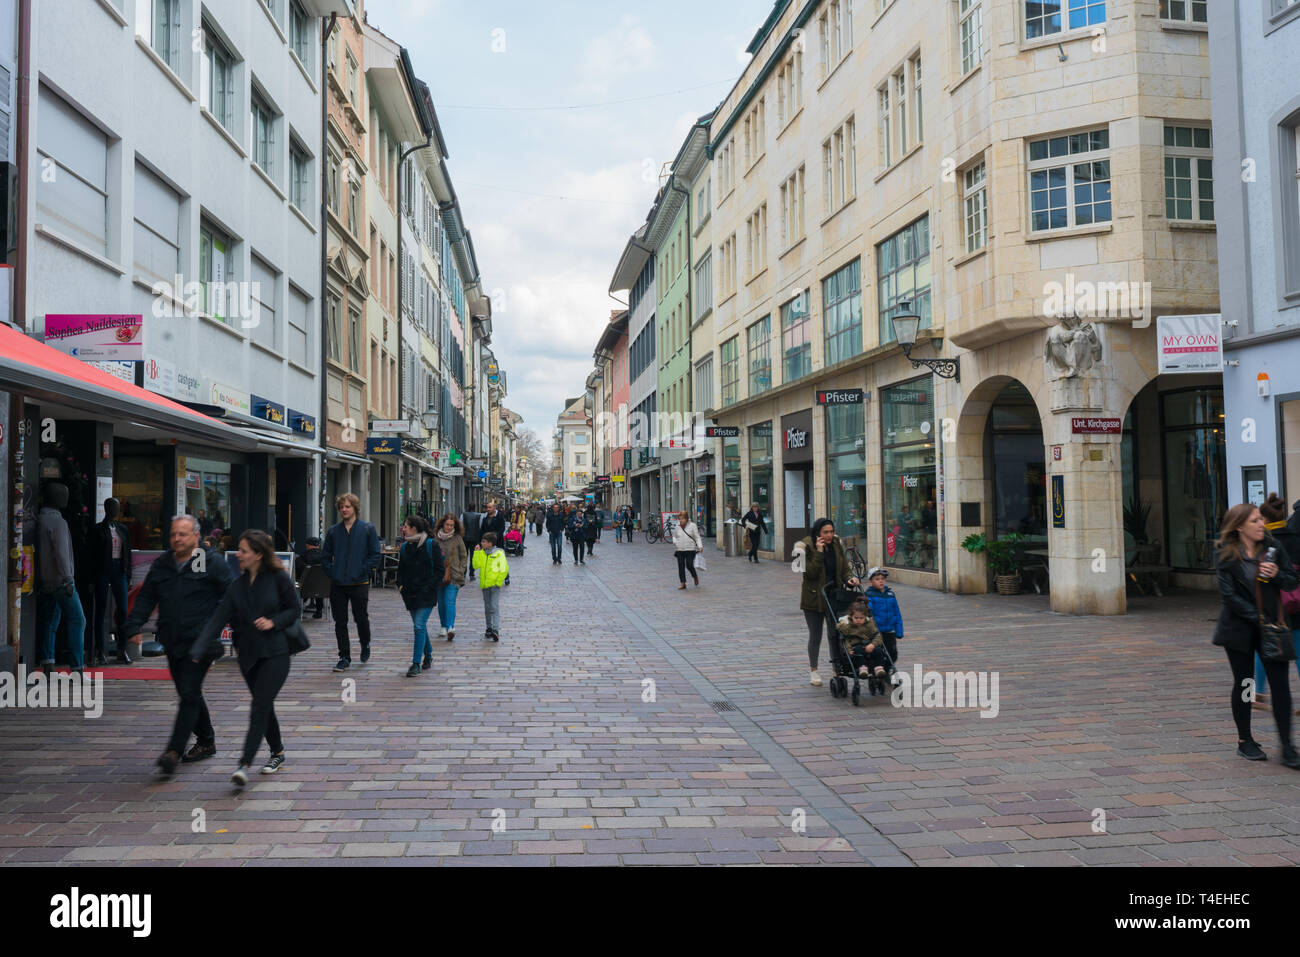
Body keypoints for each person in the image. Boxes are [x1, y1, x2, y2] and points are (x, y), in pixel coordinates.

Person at [125, 515, 235, 775]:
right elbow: (147, 595)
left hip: (201, 643)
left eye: (182, 534)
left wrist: (214, 628)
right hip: (172, 640)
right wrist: (134, 625)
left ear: (196, 536)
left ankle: (173, 751)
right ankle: (207, 740)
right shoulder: (163, 563)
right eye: (174, 534)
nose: (177, 539)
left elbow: (230, 597)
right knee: (189, 691)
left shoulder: (209, 562)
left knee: (188, 692)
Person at [193, 530, 300, 786]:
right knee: (264, 705)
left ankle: (244, 763)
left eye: (243, 550)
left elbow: (295, 609)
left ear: (258, 554)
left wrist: (273, 621)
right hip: (249, 657)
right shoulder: (237, 586)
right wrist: (199, 649)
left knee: (259, 705)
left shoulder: (278, 578)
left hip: (277, 652)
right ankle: (278, 752)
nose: (237, 554)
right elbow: (218, 619)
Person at [1212, 503, 1300, 767]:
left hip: (1272, 627)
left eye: (1261, 519)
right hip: (1238, 628)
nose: (1261, 524)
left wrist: (1277, 575)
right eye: (1254, 521)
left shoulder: (1273, 548)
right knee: (1245, 683)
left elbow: (1292, 582)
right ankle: (1245, 740)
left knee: (1281, 685)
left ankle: (1287, 746)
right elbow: (1229, 596)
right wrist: (1257, 617)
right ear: (1239, 526)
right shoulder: (1225, 553)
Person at [792, 518, 858, 687]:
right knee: (815, 636)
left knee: (835, 634)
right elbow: (810, 574)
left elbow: (843, 567)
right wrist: (820, 552)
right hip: (813, 598)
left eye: (831, 531)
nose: (829, 535)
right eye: (825, 532)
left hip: (834, 596)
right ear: (818, 533)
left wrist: (850, 578)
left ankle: (837, 669)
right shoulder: (805, 545)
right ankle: (814, 670)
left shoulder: (836, 543)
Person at [320, 493, 381, 673]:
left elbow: (375, 555)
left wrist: (363, 570)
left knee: (360, 618)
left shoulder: (367, 529)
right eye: (341, 507)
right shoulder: (333, 531)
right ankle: (344, 656)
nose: (344, 510)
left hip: (359, 583)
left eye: (347, 506)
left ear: (355, 508)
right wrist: (332, 572)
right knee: (340, 621)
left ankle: (365, 643)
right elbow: (325, 557)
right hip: (338, 584)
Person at [1252, 494, 1300, 713]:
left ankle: (1256, 693)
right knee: (1299, 649)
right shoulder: (1295, 537)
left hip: (1271, 604)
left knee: (1262, 649)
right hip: (1297, 602)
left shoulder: (1266, 543)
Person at [36, 482, 86, 675]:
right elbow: (62, 554)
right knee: (77, 620)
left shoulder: (39, 519)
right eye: (62, 494)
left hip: (44, 580)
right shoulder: (58, 522)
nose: (66, 497)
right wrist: (67, 579)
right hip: (60, 581)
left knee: (51, 620)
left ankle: (48, 663)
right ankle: (77, 668)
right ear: (54, 498)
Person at [396, 515, 445, 677]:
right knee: (421, 627)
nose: (403, 529)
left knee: (418, 626)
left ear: (415, 528)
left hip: (426, 594)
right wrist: (401, 586)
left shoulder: (431, 545)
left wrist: (429, 587)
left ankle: (416, 663)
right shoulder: (404, 547)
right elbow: (401, 571)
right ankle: (428, 655)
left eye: (406, 526)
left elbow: (439, 570)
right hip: (410, 594)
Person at [89, 497, 133, 666]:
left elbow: (127, 553)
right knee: (100, 610)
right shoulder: (98, 529)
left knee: (122, 609)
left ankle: (122, 649)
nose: (115, 511)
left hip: (119, 571)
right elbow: (91, 555)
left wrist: (128, 574)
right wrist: (92, 579)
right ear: (106, 509)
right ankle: (100, 650)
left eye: (117, 507)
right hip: (102, 571)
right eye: (112, 507)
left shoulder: (122, 529)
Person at [433, 513, 467, 640]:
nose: (449, 527)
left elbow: (464, 556)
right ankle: (443, 626)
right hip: (439, 574)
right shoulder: (435, 538)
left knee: (450, 601)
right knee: (441, 603)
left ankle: (451, 627)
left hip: (454, 575)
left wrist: (461, 570)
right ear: (442, 524)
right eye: (447, 525)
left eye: (452, 525)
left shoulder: (458, 538)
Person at [471, 532, 509, 641]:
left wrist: (498, 582)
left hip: (494, 585)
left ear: (490, 543)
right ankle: (489, 628)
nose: (481, 543)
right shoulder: (482, 553)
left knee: (494, 606)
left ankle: (495, 629)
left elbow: (504, 569)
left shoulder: (498, 553)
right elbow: (475, 565)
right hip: (484, 585)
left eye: (484, 541)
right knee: (487, 607)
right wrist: (476, 553)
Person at [864, 567, 903, 672]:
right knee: (879, 653)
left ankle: (887, 668)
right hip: (877, 632)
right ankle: (879, 670)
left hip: (890, 631)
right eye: (877, 579)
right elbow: (868, 612)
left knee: (893, 654)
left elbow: (897, 613)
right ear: (871, 581)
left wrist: (899, 630)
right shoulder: (869, 595)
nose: (880, 581)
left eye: (882, 578)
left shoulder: (890, 594)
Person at [837, 599, 887, 680]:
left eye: (861, 618)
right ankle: (862, 668)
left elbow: (878, 636)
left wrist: (873, 644)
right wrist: (848, 650)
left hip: (869, 645)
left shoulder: (869, 625)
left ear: (865, 617)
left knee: (878, 651)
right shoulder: (847, 627)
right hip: (856, 647)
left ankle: (879, 668)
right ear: (851, 616)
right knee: (858, 650)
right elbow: (845, 640)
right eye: (856, 618)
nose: (859, 620)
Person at [670, 510, 704, 590]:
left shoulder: (692, 525)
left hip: (690, 549)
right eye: (679, 519)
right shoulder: (677, 526)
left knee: (689, 565)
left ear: (686, 518)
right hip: (680, 549)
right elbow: (674, 536)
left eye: (682, 519)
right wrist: (675, 542)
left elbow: (697, 537)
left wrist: (700, 546)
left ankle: (694, 575)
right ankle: (683, 583)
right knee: (681, 566)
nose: (681, 520)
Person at [295, 536, 325, 618]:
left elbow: (296, 575)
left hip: (305, 589)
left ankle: (298, 608)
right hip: (323, 589)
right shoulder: (325, 557)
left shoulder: (301, 558)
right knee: (320, 583)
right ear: (318, 546)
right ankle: (319, 611)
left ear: (307, 545)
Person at [461, 508, 483, 580]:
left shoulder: (463, 515)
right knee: (473, 557)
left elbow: (460, 525)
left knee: (464, 556)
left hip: (465, 538)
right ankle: (472, 574)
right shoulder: (479, 516)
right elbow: (480, 526)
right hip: (475, 538)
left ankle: (463, 573)